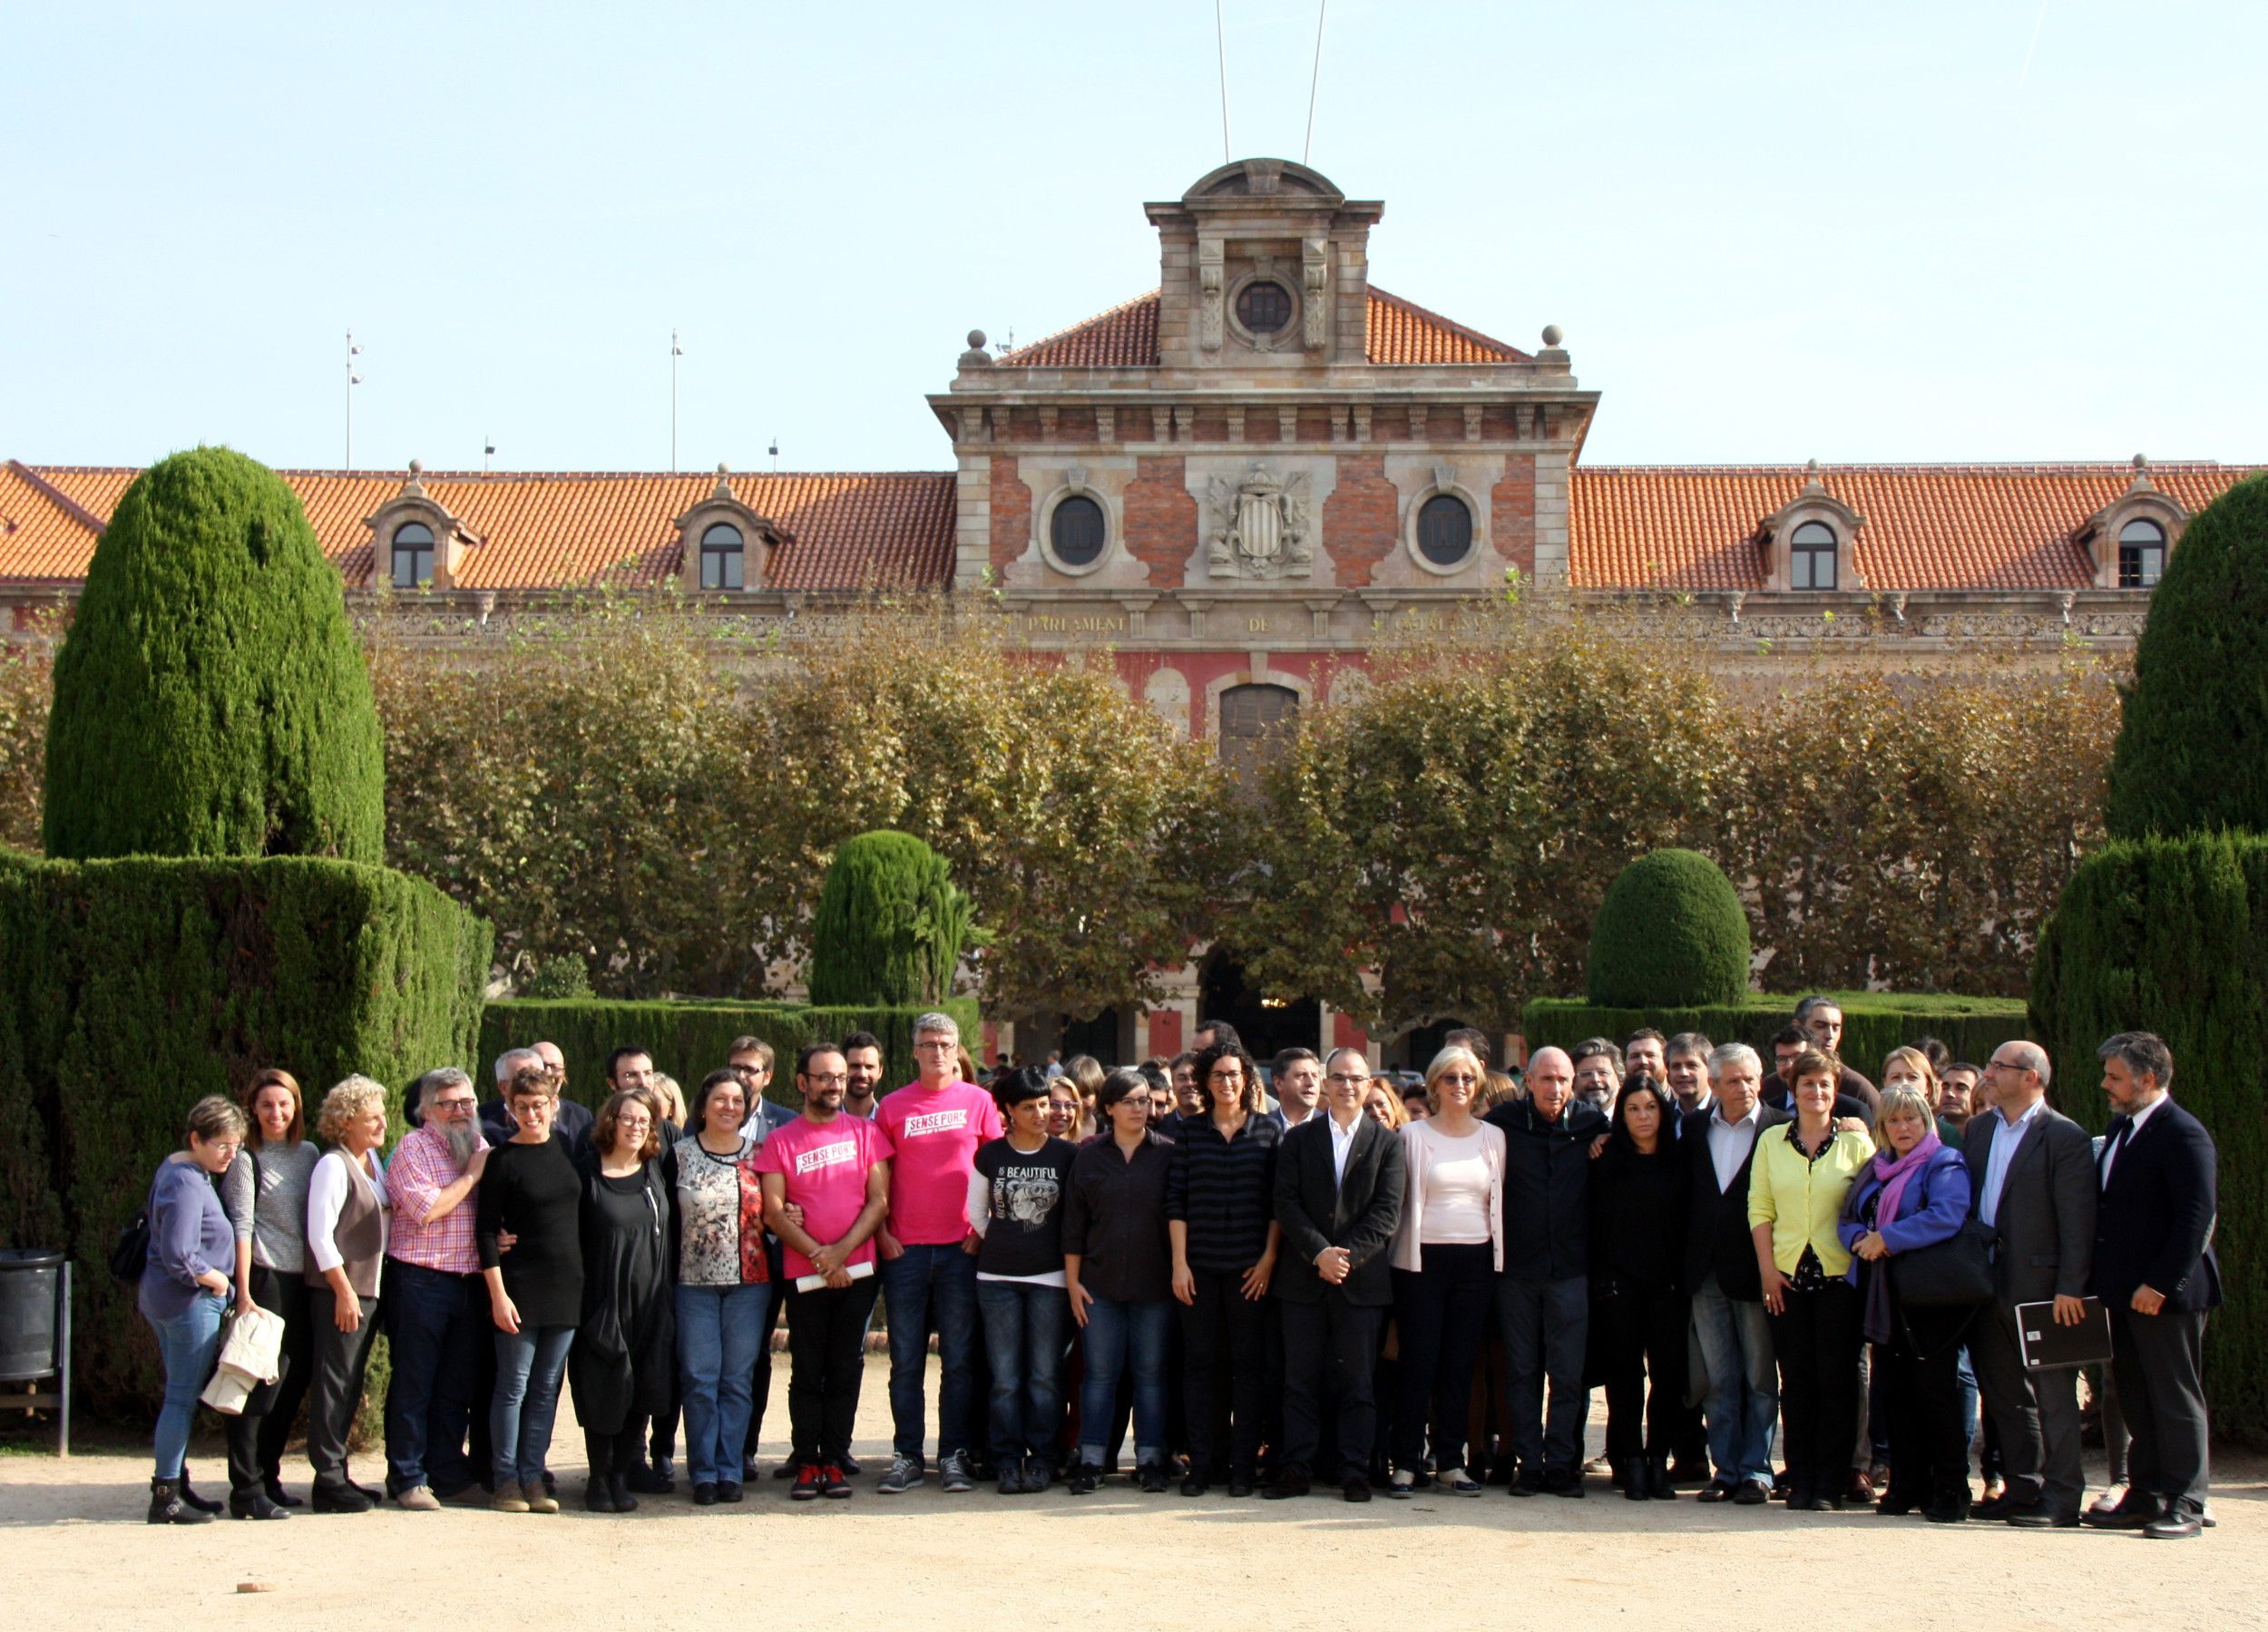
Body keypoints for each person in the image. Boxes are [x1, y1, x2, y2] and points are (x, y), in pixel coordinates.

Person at [2086, 1031, 2220, 1541]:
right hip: (2123, 1294)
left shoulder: (2183, 1133)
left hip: (2167, 1296)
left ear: (2147, 1079)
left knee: (2174, 1395)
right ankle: (2146, 1495)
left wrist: (2160, 1284)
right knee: (2137, 1396)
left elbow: (2195, 1217)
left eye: (2115, 1077)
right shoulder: (2123, 1128)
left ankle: (2187, 1500)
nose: (2105, 1085)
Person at [1265, 1044, 1407, 1503]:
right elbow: (1286, 1204)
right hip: (1303, 1280)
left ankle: (1354, 1469)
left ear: (1369, 1086)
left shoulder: (1388, 1143)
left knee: (1358, 1384)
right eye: (1339, 1078)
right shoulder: (1298, 1140)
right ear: (1326, 1084)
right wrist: (1319, 1254)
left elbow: (1387, 1214)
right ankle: (1296, 1466)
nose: (1348, 1086)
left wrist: (1344, 1258)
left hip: (1361, 1282)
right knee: (1299, 1381)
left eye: (1357, 1079)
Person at [1964, 1040, 2096, 1529]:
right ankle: (2023, 1488)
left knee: (2055, 1396)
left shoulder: (2065, 1137)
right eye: (1990, 1064)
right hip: (1985, 1282)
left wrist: (2071, 1287)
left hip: (2045, 1288)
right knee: (2003, 1394)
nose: (1989, 1074)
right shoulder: (1978, 1129)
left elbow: (2078, 1222)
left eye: (2000, 1067)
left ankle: (2063, 1497)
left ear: (2031, 1078)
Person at [871, 1011, 1002, 1495]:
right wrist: (883, 1231)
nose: (939, 1051)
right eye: (929, 1043)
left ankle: (953, 1454)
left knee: (960, 1360)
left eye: (947, 1043)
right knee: (905, 1359)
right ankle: (907, 1454)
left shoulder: (980, 1102)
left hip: (960, 1249)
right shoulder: (892, 1106)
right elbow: (877, 1177)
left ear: (957, 1048)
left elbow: (996, 1169)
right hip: (905, 1249)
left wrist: (982, 1229)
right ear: (915, 1051)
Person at [758, 1044, 890, 1500]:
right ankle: (806, 1459)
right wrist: (821, 1255)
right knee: (808, 1367)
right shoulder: (780, 1141)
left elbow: (878, 1201)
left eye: (838, 1077)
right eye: (824, 1077)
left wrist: (841, 1254)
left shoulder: (867, 1133)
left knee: (846, 1366)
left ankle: (834, 1459)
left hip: (858, 1271)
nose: (834, 1084)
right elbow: (774, 1212)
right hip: (804, 1273)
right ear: (802, 1082)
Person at [1836, 1082, 1974, 1521]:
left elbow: (1947, 1214)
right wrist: (1860, 1238)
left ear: (1926, 1120)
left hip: (1930, 1296)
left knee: (1935, 1392)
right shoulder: (1875, 1168)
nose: (1902, 1127)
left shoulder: (1944, 1162)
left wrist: (1887, 1239)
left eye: (1910, 1118)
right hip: (1884, 1294)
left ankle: (1950, 1486)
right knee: (1893, 1393)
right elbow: (1848, 1217)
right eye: (1892, 1120)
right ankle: (1905, 1483)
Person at [1749, 1048, 1874, 1510]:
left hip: (1841, 1280)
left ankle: (1831, 1481)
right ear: (1793, 1090)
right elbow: (1759, 1208)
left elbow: (1875, 1206)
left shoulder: (1857, 1144)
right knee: (1797, 1383)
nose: (1816, 1092)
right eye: (1808, 1084)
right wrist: (1767, 1270)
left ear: (1835, 1091)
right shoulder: (1771, 1142)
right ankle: (1800, 1478)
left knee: (1837, 1383)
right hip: (1785, 1279)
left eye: (1825, 1085)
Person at [1487, 1046, 1606, 1496]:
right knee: (1521, 1371)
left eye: (1563, 1080)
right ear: (1529, 1081)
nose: (1555, 1089)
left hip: (1572, 1271)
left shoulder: (1593, 1124)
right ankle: (1529, 1464)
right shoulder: (1504, 1123)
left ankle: (1561, 1464)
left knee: (1568, 1374)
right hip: (1517, 1269)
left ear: (1572, 1081)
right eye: (1546, 1079)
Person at [1385, 1045, 1502, 1499]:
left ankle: (1451, 1461)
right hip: (1421, 1263)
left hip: (1475, 1262)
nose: (1459, 1086)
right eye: (1450, 1078)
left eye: (1468, 1079)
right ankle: (1407, 1462)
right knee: (1418, 1363)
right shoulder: (1411, 1136)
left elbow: (1497, 1204)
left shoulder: (1494, 1138)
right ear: (1434, 1085)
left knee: (1459, 1365)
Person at [1166, 1041, 1280, 1497]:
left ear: (1247, 1080)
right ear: (1206, 1083)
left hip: (1251, 1271)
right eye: (1219, 1075)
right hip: (1199, 1269)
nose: (1228, 1082)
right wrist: (1179, 1263)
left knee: (1248, 1368)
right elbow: (1177, 1200)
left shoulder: (1269, 1132)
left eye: (1235, 1075)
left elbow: (1277, 1205)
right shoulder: (1189, 1133)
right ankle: (1203, 1464)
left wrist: (1269, 1260)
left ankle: (1242, 1466)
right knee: (1200, 1367)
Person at [381, 1066, 491, 1510]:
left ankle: (446, 1472)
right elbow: (427, 1209)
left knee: (455, 1387)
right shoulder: (413, 1149)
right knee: (415, 1381)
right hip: (420, 1281)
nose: (461, 1111)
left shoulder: (476, 1147)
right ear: (427, 1111)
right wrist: (471, 1178)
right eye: (449, 1104)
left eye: (467, 1102)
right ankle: (407, 1476)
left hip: (469, 1283)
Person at [1062, 1069, 1176, 1495]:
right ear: (1108, 1108)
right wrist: (1073, 1283)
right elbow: (1073, 1226)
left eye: (1144, 1100)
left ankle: (1149, 1459)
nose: (1139, 1108)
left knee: (1150, 1375)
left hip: (1154, 1286)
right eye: (1128, 1101)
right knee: (1099, 1375)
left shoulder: (1168, 1154)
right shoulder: (1089, 1157)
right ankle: (1091, 1459)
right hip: (1099, 1286)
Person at [476, 1065, 582, 1515]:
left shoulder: (566, 1147)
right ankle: (506, 1479)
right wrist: (498, 1295)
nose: (532, 1113)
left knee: (545, 1389)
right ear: (511, 1110)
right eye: (523, 1107)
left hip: (566, 1287)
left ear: (553, 1105)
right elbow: (484, 1232)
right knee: (513, 1385)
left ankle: (534, 1475)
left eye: (539, 1105)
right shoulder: (503, 1159)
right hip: (518, 1285)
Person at [967, 1067, 1078, 1494]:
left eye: (1045, 1105)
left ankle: (1044, 1459)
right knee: (1004, 1378)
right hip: (997, 1278)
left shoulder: (1067, 1157)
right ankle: (1006, 1459)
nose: (1040, 1114)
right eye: (1029, 1107)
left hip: (1050, 1278)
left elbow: (1074, 1219)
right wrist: (1001, 1240)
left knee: (1045, 1376)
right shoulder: (991, 1155)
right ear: (1009, 1110)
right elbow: (976, 1213)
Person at [1685, 1043, 1786, 1505]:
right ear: (1714, 1085)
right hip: (1706, 1273)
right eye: (1732, 1080)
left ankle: (1757, 1470)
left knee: (1760, 1377)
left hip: (1757, 1273)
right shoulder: (1693, 1128)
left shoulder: (1780, 1129)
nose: (1743, 1087)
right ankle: (1725, 1469)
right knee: (1719, 1379)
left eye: (1750, 1078)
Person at [140, 1094, 248, 1524]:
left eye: (236, 1145)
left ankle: (175, 1485)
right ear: (196, 1139)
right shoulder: (185, 1180)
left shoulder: (187, 1171)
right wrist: (217, 1279)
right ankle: (165, 1496)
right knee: (181, 1399)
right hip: (187, 1302)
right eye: (221, 1144)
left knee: (178, 1396)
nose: (230, 1153)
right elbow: (179, 1253)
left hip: (170, 1300)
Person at [219, 1069, 320, 1519]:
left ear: (296, 1106)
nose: (276, 1113)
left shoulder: (311, 1154)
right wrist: (243, 1293)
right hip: (264, 1282)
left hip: (304, 1283)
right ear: (252, 1111)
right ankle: (246, 1489)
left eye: (283, 1104)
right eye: (266, 1105)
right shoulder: (246, 1159)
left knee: (291, 1384)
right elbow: (241, 1226)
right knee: (257, 1386)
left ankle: (269, 1474)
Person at [570, 1090, 676, 1512]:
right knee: (603, 1390)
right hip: (602, 1300)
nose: (636, 1127)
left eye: (644, 1121)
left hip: (650, 1300)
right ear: (610, 1122)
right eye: (628, 1118)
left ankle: (619, 1474)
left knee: (643, 1387)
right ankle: (597, 1478)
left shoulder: (654, 1172)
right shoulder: (585, 1174)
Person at [1590, 1073, 1692, 1500]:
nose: (1643, 1116)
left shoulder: (1681, 1158)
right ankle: (1628, 1459)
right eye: (1633, 1108)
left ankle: (1657, 1459)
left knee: (1668, 1376)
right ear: (1622, 1114)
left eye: (1650, 1107)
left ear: (1662, 1111)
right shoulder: (1605, 1158)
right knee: (1624, 1377)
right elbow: (1593, 1224)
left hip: (1668, 1285)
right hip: (1620, 1284)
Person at [673, 1068, 770, 1505]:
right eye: (720, 1099)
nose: (729, 1107)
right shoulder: (677, 1155)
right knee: (698, 1379)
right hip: (693, 1284)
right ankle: (703, 1472)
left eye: (737, 1101)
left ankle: (730, 1468)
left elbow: (780, 1209)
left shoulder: (761, 1154)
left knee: (736, 1380)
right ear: (703, 1105)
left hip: (750, 1284)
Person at [304, 1075, 391, 1513]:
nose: (382, 1123)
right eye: (371, 1116)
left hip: (368, 1291)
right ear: (345, 1122)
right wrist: (342, 1291)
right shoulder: (333, 1165)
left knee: (350, 1381)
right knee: (335, 1382)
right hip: (343, 1293)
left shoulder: (372, 1162)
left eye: (382, 1114)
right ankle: (328, 1479)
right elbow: (320, 1236)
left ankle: (339, 1474)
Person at [482, 1045, 592, 1148]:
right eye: (522, 1079)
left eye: (538, 1076)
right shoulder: (488, 1132)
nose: (533, 1084)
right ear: (503, 1087)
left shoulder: (564, 1136)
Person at [1882, 1045, 1964, 1150]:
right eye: (1896, 1077)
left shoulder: (1947, 1135)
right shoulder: (1873, 1132)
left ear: (1928, 1086)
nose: (1903, 1083)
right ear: (1885, 1083)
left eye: (1912, 1077)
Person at [1663, 1033, 1715, 1121]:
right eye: (1676, 1066)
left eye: (1692, 1065)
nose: (1683, 1073)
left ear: (1710, 1068)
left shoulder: (1724, 1112)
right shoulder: (1663, 1115)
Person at [1269, 1048, 1322, 1131]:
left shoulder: (1333, 1129)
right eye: (1301, 1075)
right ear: (1278, 1083)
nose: (1311, 1083)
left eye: (1315, 1076)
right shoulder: (1261, 1130)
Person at [838, 1030, 885, 1121]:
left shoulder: (888, 1124)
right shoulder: (823, 1123)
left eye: (869, 1067)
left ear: (880, 1071)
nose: (862, 1074)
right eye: (855, 1066)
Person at [1570, 1038, 1621, 1115]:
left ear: (1620, 1079)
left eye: (1603, 1072)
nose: (1595, 1079)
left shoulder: (1634, 1122)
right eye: (1586, 1074)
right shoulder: (1563, 1123)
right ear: (1573, 1083)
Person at [1046, 1074, 1090, 1142]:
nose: (1062, 1112)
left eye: (1069, 1105)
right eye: (1054, 1105)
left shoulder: (1079, 1151)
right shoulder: (1026, 1150)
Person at [1939, 1062, 1983, 1129]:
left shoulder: (1992, 1135)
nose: (1949, 1093)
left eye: (1961, 1089)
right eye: (1945, 1088)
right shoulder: (1925, 1133)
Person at [1168, 1052, 1206, 1121]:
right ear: (1173, 1086)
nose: (1190, 1084)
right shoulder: (1159, 1128)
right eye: (1182, 1078)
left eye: (1195, 1077)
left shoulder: (1220, 1127)